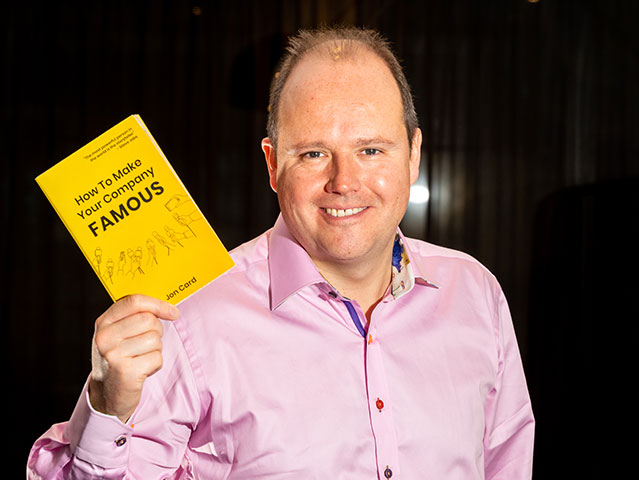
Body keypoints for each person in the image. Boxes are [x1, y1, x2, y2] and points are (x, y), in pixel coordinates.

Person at [28, 26, 534, 479]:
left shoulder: (476, 294)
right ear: (272, 165)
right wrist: (109, 405)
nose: (344, 181)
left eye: (371, 150)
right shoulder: (186, 316)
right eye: (313, 153)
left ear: (414, 155)